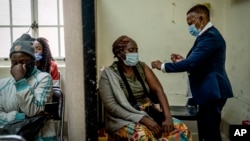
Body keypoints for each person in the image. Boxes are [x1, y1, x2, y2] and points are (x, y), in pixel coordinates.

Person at [151, 4, 233, 141]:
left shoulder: (210, 37)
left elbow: (191, 63)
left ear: (201, 18)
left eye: (190, 23)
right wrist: (182, 60)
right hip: (207, 91)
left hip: (212, 91)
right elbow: (199, 62)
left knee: (210, 132)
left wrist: (163, 66)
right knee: (205, 129)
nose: (190, 27)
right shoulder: (205, 36)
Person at [98, 35, 192, 140]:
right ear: (120, 53)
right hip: (124, 117)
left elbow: (158, 90)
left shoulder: (141, 67)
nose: (135, 54)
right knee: (143, 135)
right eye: (131, 50)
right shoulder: (108, 75)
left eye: (136, 50)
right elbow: (113, 107)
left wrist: (168, 116)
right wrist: (143, 119)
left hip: (148, 112)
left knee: (181, 128)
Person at [0, 33, 56, 140]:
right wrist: (18, 116)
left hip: (39, 137)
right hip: (11, 136)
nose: (18, 66)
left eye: (23, 62)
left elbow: (32, 111)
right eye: (14, 62)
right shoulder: (3, 84)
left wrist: (20, 81)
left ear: (33, 61)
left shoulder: (44, 78)